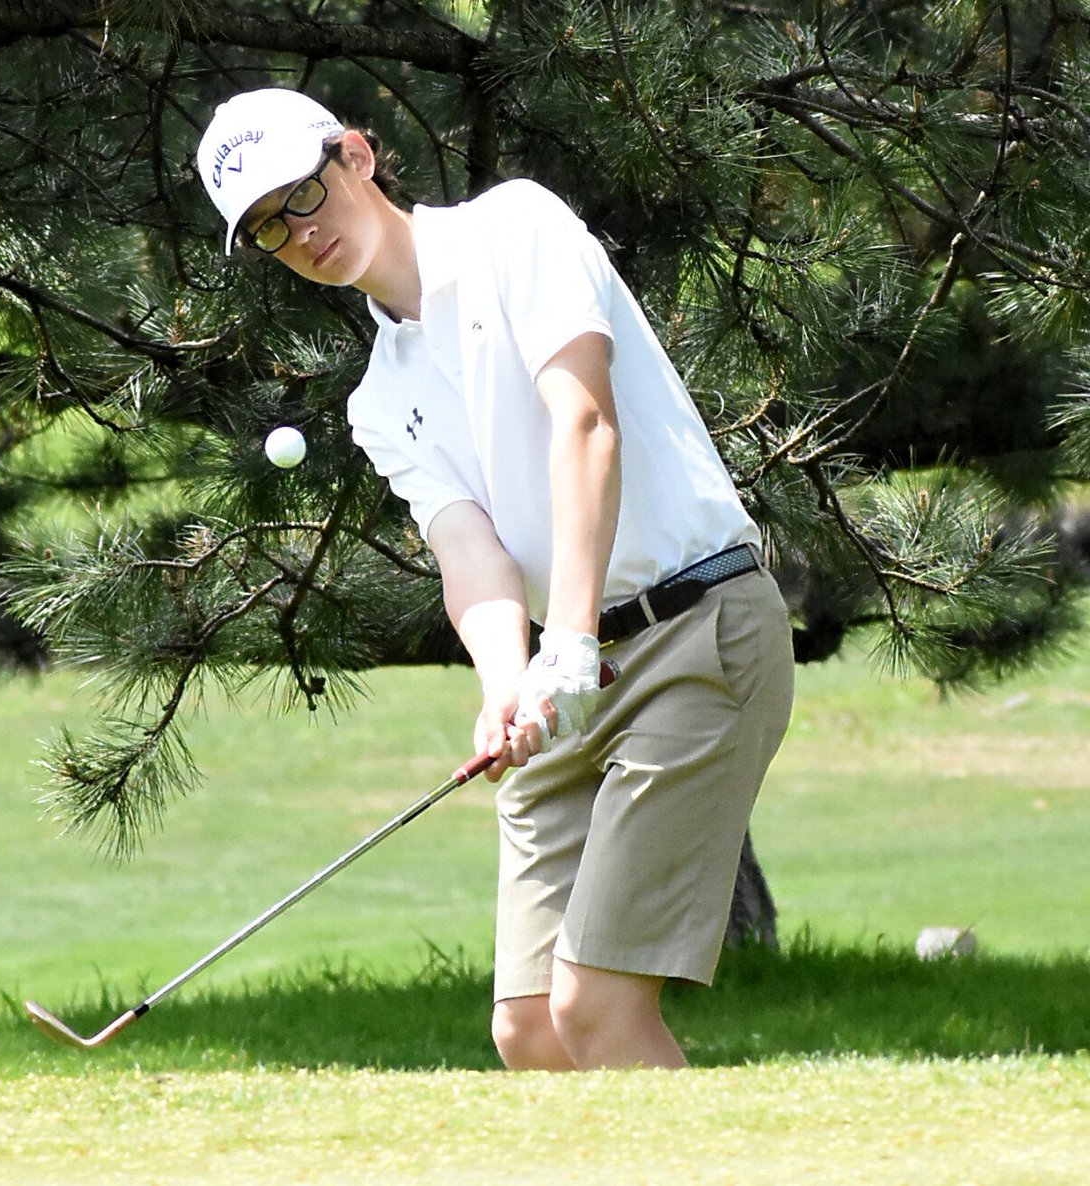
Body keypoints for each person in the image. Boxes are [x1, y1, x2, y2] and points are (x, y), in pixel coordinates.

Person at [196, 87, 795, 1070]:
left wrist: (568, 643)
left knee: (595, 1006)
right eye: (267, 227)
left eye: (302, 193)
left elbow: (585, 425)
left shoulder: (514, 227)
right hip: (575, 671)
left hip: (697, 626)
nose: (300, 232)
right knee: (529, 1028)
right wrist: (505, 684)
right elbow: (470, 554)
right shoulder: (379, 399)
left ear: (355, 156)